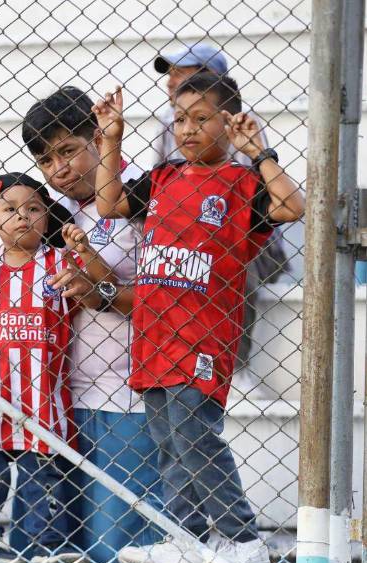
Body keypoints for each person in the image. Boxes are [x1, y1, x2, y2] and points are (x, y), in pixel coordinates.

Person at [92, 74, 304, 563]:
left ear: (229, 123)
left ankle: (242, 539)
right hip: (153, 335)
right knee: (167, 440)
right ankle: (184, 536)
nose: (187, 129)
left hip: (202, 336)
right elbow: (108, 204)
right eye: (180, 119)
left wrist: (260, 152)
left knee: (196, 435)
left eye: (202, 118)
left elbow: (292, 207)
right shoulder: (163, 177)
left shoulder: (241, 182)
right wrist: (112, 140)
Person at [19, 86, 163, 563]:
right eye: (44, 159)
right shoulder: (47, 214)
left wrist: (99, 290)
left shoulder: (143, 198)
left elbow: (169, 300)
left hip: (129, 399)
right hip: (60, 401)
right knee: (60, 550)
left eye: (67, 151)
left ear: (99, 139)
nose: (57, 168)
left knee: (116, 550)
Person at [0, 172, 105, 563]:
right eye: (10, 209)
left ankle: (44, 545)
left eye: (34, 208)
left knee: (44, 475)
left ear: (47, 218)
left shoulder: (59, 261)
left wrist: (84, 255)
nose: (23, 216)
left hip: (43, 390)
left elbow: (94, 295)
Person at [151, 43, 289, 397]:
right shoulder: (169, 123)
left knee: (234, 266)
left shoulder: (238, 121)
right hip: (189, 229)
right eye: (170, 75)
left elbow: (251, 189)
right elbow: (161, 181)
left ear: (214, 78)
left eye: (183, 73)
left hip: (241, 227)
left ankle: (237, 366)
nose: (172, 82)